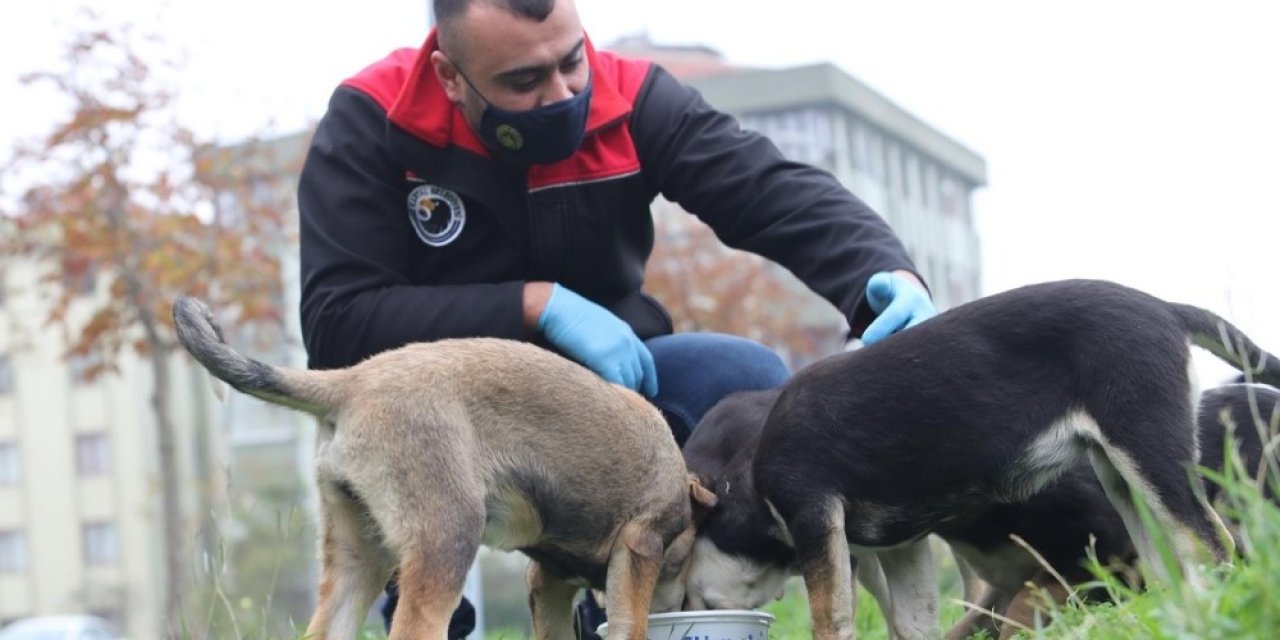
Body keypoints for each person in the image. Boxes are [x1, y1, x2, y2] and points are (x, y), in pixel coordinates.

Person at [296, 0, 937, 636]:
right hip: (443, 415)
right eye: (524, 80)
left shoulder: (632, 98)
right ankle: (423, 611)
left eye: (571, 61)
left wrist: (882, 272)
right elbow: (337, 321)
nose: (562, 93)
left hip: (612, 389)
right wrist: (534, 305)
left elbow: (770, 190)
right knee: (422, 512)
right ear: (449, 76)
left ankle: (638, 609)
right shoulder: (371, 117)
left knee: (744, 380)